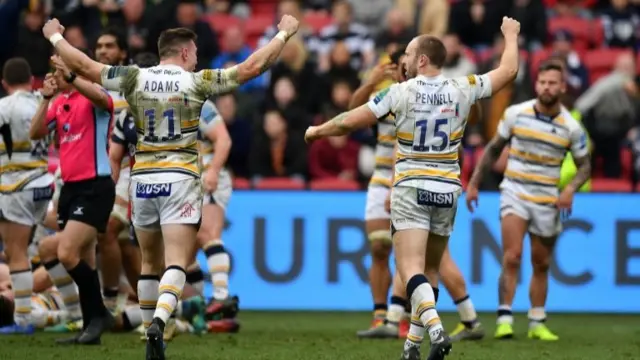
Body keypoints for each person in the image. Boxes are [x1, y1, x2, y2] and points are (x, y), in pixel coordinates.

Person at [41, 14, 299, 359]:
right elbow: (251, 68)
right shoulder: (197, 81)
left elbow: (85, 66)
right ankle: (160, 322)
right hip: (180, 178)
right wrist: (283, 34)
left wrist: (55, 38)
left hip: (143, 181)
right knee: (176, 260)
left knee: (149, 262)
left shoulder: (134, 77)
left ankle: (150, 330)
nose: (195, 58)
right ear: (185, 53)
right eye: (193, 53)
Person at [305, 17, 521, 360]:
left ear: (421, 60)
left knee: (408, 268)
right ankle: (411, 345)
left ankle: (435, 329)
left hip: (411, 186)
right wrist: (510, 35)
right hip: (448, 188)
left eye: (407, 53)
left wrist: (318, 130)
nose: (402, 60)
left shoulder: (400, 91)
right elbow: (508, 70)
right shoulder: (462, 87)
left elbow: (352, 118)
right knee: (430, 270)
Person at [466, 60, 591, 341]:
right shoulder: (516, 114)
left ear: (562, 86)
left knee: (542, 263)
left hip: (547, 197)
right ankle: (505, 318)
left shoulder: (571, 127)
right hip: (515, 191)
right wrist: (473, 184)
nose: (546, 87)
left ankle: (536, 321)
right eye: (542, 82)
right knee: (512, 255)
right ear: (537, 84)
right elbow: (492, 149)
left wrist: (569, 189)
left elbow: (585, 166)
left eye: (552, 83)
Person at [29, 55, 116, 345]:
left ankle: (100, 312)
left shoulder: (94, 97)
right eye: (56, 70)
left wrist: (73, 77)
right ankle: (90, 324)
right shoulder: (60, 103)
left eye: (63, 69)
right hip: (70, 189)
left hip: (95, 186)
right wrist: (45, 98)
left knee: (65, 253)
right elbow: (35, 132)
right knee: (82, 257)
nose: (58, 74)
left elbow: (105, 102)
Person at [0, 57, 54, 334]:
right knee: (57, 243)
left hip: (15, 184)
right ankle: (69, 305)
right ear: (31, 78)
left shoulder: (3, 107)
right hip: (46, 181)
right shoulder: (41, 103)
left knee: (16, 252)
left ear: (4, 82)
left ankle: (22, 319)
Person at [196, 99, 239, 330]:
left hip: (206, 176)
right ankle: (201, 312)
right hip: (182, 179)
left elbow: (224, 139)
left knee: (207, 234)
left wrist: (212, 172)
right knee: (181, 254)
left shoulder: (200, 103)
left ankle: (221, 296)